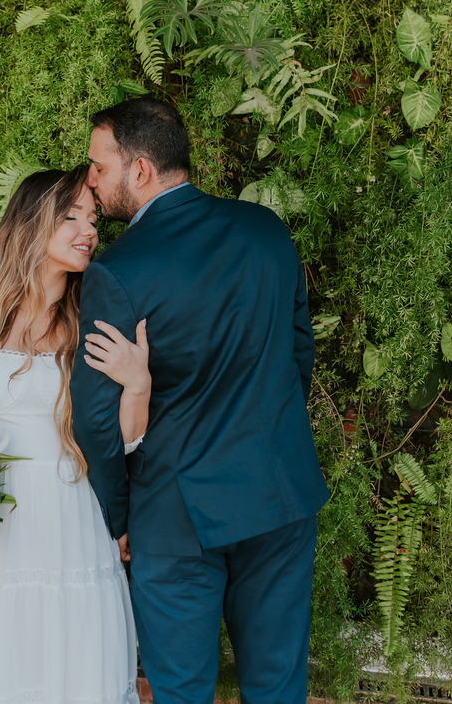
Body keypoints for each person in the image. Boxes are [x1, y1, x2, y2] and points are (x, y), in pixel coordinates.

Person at [70, 97, 330, 704]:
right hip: (279, 495)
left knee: (182, 692)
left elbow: (95, 417)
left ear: (140, 171)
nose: (91, 181)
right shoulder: (267, 231)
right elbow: (298, 355)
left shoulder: (117, 271)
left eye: (99, 168)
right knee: (278, 689)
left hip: (176, 516)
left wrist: (118, 515)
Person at [0, 165, 147, 704]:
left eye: (93, 219)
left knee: (69, 662)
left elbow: (122, 441)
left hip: (72, 514)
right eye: (71, 218)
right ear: (32, 225)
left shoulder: (94, 321)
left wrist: (137, 384)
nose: (89, 230)